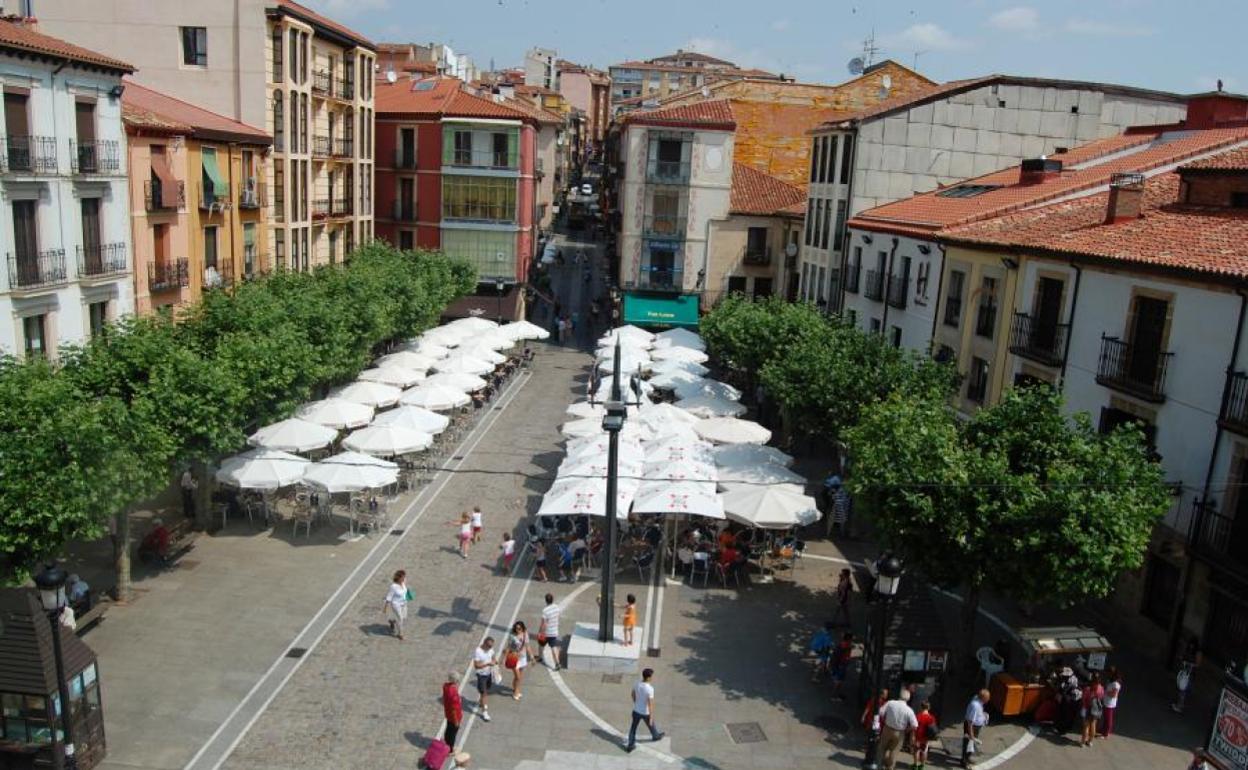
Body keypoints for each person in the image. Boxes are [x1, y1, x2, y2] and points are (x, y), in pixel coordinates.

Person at [624, 668, 665, 752]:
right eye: (652, 676)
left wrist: (636, 703)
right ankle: (656, 736)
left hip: (636, 711)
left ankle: (630, 745)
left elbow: (632, 694)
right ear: (649, 678)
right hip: (645, 712)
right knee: (651, 725)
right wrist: (651, 716)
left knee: (633, 728)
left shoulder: (637, 683)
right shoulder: (650, 689)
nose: (652, 678)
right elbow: (650, 704)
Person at [878, 689, 918, 770]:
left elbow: (881, 712)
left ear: (899, 695)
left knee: (882, 747)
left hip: (887, 728)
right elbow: (915, 725)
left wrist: (886, 719)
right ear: (908, 699)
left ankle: (879, 764)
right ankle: (890, 767)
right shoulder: (909, 710)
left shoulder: (891, 703)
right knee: (894, 751)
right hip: (899, 732)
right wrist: (907, 729)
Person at [506, 620, 534, 700]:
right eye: (516, 628)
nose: (518, 630)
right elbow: (508, 647)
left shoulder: (525, 634)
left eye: (520, 628)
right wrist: (504, 657)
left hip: (523, 658)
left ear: (523, 628)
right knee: (517, 677)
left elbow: (527, 646)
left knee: (519, 677)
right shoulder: (512, 636)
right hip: (514, 658)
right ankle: (515, 693)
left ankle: (516, 689)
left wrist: (532, 657)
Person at [962, 689, 991, 768]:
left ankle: (967, 758)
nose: (988, 699)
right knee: (968, 744)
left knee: (971, 745)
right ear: (983, 698)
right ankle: (964, 762)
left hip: (975, 726)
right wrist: (971, 734)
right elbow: (970, 722)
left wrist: (982, 714)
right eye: (987, 698)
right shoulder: (975, 706)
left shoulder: (977, 699)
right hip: (972, 727)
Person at [1174, 636, 1201, 713]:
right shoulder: (1188, 649)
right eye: (1190, 645)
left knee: (1183, 689)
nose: (1191, 646)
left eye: (1192, 645)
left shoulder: (1198, 652)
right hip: (1184, 671)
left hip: (1190, 674)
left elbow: (1198, 664)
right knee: (1181, 688)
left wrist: (1190, 664)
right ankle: (1179, 704)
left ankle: (1180, 706)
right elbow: (1182, 656)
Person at [472, 637, 497, 722]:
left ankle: (481, 702)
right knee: (484, 693)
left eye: (491, 646)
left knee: (486, 690)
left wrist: (494, 661)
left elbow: (493, 656)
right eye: (489, 646)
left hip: (489, 674)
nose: (490, 648)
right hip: (481, 675)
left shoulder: (490, 649)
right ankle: (485, 712)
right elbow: (476, 666)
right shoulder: (478, 651)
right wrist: (487, 664)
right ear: (484, 643)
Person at [381, 570, 409, 640]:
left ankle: (392, 620)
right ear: (398, 578)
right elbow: (389, 597)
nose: (404, 578)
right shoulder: (393, 586)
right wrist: (385, 607)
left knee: (404, 617)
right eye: (403, 577)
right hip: (396, 604)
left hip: (404, 603)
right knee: (400, 618)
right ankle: (400, 634)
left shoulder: (403, 582)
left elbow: (405, 590)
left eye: (404, 577)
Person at [1080, 671, 1104, 746]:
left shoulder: (1088, 688)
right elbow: (1101, 697)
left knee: (1086, 726)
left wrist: (1084, 706)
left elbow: (1083, 699)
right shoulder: (1101, 688)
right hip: (1096, 709)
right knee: (1093, 725)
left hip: (1087, 708)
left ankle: (1083, 742)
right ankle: (1090, 741)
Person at [539, 593, 563, 670]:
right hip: (554, 631)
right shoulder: (556, 607)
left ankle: (540, 657)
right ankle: (557, 663)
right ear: (552, 599)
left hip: (547, 632)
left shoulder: (545, 610)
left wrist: (540, 632)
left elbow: (543, 623)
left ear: (546, 600)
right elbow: (558, 616)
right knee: (553, 647)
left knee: (541, 644)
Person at [830, 632, 854, 700]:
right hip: (840, 666)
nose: (852, 641)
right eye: (851, 639)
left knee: (839, 681)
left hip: (840, 665)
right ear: (848, 639)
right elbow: (843, 657)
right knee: (839, 681)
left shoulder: (842, 645)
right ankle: (834, 695)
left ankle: (836, 693)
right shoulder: (845, 647)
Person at [913, 700, 937, 770]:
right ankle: (921, 766)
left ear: (921, 707)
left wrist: (913, 736)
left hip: (918, 736)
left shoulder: (918, 716)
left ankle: (915, 766)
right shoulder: (931, 718)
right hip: (926, 738)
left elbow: (915, 727)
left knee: (916, 751)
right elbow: (933, 729)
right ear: (929, 708)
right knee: (924, 752)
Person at [442, 671, 463, 748]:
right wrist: (456, 721)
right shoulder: (453, 693)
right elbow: (454, 708)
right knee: (453, 733)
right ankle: (450, 748)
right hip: (454, 715)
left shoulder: (445, 686)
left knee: (448, 730)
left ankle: (446, 743)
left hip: (448, 713)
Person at [1100, 666, 1121, 738]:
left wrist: (1105, 691)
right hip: (1106, 701)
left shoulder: (1116, 684)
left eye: (1108, 673)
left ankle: (1106, 733)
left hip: (1110, 703)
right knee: (1105, 717)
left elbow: (1114, 695)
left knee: (1108, 719)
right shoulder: (1110, 680)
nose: (1107, 675)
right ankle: (1103, 729)